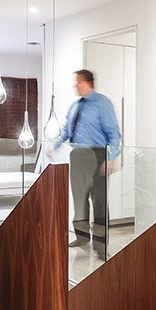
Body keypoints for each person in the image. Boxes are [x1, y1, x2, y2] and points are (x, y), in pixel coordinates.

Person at [57, 69, 121, 257]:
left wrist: (110, 158)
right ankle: (82, 236)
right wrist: (54, 145)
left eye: (77, 82)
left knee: (99, 201)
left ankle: (101, 247)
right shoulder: (75, 106)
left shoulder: (102, 104)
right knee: (79, 199)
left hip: (97, 155)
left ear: (86, 83)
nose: (75, 86)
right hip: (77, 156)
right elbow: (66, 131)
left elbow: (114, 134)